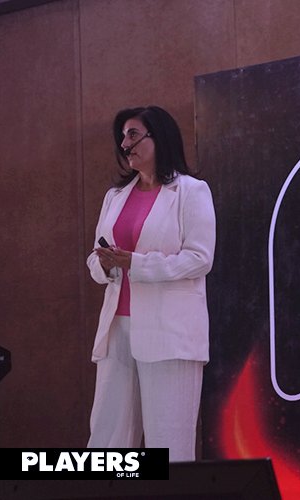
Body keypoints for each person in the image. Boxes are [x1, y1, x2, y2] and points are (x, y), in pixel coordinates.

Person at [86, 106, 216, 461]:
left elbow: (200, 258)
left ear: (159, 137)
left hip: (169, 333)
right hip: (117, 329)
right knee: (107, 438)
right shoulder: (115, 197)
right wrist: (106, 264)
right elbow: (96, 259)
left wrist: (137, 263)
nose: (125, 144)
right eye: (122, 137)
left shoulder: (191, 191)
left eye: (133, 135)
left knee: (169, 444)